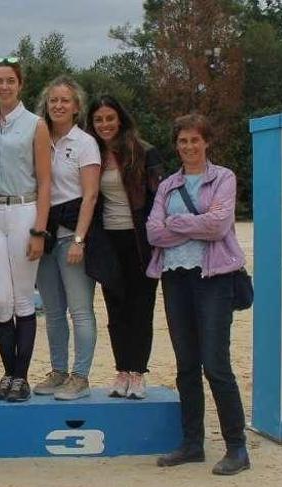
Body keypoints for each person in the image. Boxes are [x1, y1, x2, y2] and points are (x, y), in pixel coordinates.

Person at [147, 114, 250, 476]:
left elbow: (219, 224)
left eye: (195, 140)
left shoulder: (223, 177)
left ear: (207, 142)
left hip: (214, 280)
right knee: (186, 364)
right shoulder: (167, 186)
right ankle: (192, 443)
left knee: (215, 364)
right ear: (176, 145)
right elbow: (153, 233)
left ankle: (237, 447)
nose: (188, 147)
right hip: (175, 279)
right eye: (182, 141)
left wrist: (175, 224)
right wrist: (191, 226)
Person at [0, 57, 52, 402]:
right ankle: (8, 373)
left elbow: (46, 181)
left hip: (24, 209)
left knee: (22, 297)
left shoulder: (35, 124)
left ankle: (20, 377)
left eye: (10, 81)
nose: (4, 86)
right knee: (0, 299)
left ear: (20, 85)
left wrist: (40, 230)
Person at [87, 95, 163, 399]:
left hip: (140, 240)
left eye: (109, 118)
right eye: (98, 120)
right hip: (108, 239)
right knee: (115, 308)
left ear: (120, 119)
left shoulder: (143, 151)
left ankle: (137, 372)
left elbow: (160, 200)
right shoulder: (92, 153)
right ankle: (121, 370)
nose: (105, 125)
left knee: (141, 308)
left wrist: (158, 237)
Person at [31, 76, 101, 401]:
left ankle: (80, 376)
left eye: (65, 101)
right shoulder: (40, 139)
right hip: (45, 233)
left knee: (81, 310)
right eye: (53, 100)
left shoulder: (84, 143)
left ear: (76, 107)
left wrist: (80, 240)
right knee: (53, 310)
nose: (58, 106)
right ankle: (58, 371)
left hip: (73, 232)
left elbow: (90, 196)